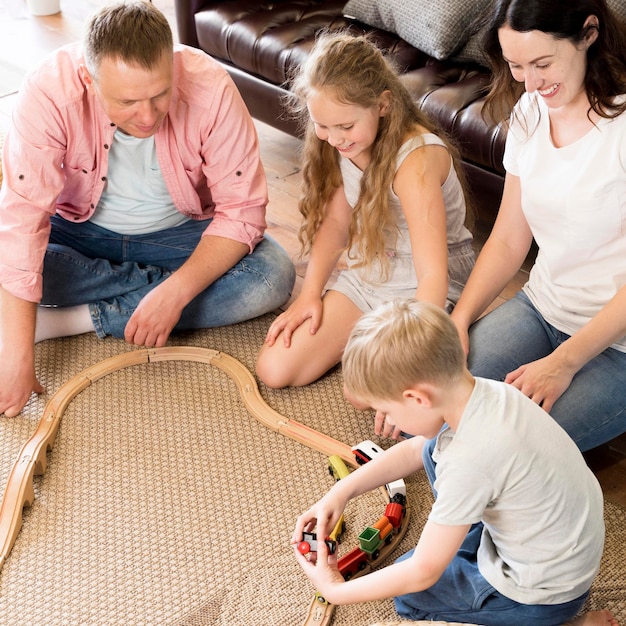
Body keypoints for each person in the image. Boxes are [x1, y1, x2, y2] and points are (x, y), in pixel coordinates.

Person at [0, 0, 295, 418]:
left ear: (172, 66)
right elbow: (23, 221)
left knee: (271, 278)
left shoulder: (210, 87)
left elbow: (242, 211)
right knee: (9, 255)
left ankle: (69, 321)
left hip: (179, 233)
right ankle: (140, 296)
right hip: (76, 231)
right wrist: (15, 358)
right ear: (89, 78)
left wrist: (175, 293)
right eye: (127, 102)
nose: (147, 115)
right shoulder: (48, 90)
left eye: (160, 95)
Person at [293, 299, 614, 626]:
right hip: (560, 552)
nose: (387, 420)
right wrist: (342, 492)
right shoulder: (487, 392)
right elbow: (417, 450)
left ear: (417, 399)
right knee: (434, 451)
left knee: (409, 594)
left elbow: (423, 574)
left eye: (386, 411)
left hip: (538, 597)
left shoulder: (470, 459)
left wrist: (334, 590)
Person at [449, 0, 626, 452]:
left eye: (543, 63)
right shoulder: (530, 111)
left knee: (510, 452)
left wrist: (562, 363)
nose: (531, 81)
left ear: (589, 34)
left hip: (618, 346)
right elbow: (509, 237)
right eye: (516, 66)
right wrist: (459, 320)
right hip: (544, 307)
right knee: (437, 404)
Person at [255, 32, 475, 389]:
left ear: (383, 105)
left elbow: (433, 277)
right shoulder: (341, 141)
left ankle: (372, 347)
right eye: (322, 125)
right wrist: (311, 293)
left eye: (345, 126)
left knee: (366, 392)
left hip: (426, 285)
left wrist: (415, 355)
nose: (335, 137)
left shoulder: (416, 160)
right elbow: (337, 222)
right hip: (372, 269)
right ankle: (367, 342)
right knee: (275, 369)